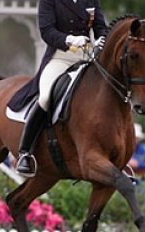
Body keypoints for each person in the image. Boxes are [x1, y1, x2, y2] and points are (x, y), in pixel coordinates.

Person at [15, 0, 108, 177]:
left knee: (107, 92)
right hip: (61, 57)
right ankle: (25, 153)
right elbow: (47, 32)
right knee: (45, 97)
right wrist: (70, 39)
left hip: (87, 57)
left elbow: (100, 27)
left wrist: (102, 39)